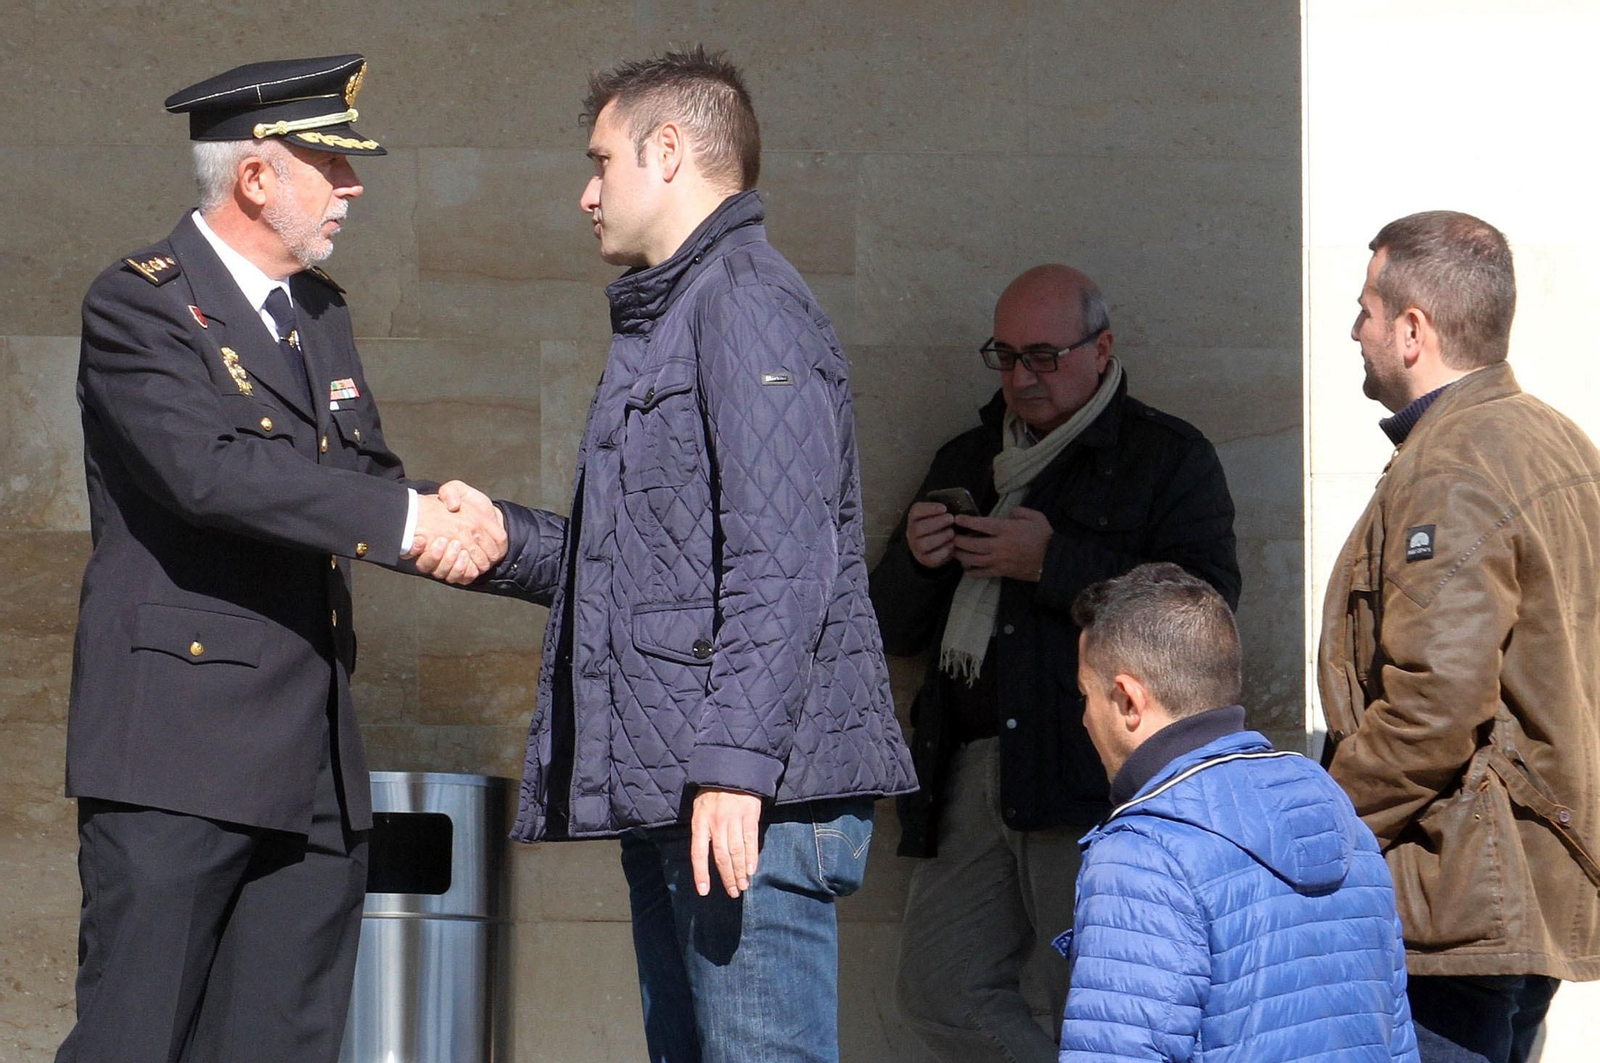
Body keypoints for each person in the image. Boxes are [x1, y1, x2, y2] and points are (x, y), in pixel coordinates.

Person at [458, 47, 916, 1063]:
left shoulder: (746, 300)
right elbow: (659, 564)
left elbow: (784, 560)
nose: (586, 192)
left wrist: (732, 771)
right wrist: (507, 541)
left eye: (602, 161)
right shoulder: (682, 310)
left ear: (667, 152)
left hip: (747, 798)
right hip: (696, 786)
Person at [57, 55, 504, 1063]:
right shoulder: (141, 306)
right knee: (137, 1037)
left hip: (309, 766)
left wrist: (485, 530)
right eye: (331, 167)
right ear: (257, 177)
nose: (353, 189)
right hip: (177, 752)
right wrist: (403, 519)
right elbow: (209, 475)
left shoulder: (321, 312)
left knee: (281, 1044)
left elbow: (367, 476)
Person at [870, 263, 1239, 1061]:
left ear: (1101, 349)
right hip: (970, 768)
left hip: (1091, 770)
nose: (1021, 377)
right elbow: (890, 628)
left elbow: (1207, 613)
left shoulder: (1166, 455)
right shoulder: (967, 457)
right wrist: (916, 559)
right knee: (938, 991)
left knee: (1105, 1007)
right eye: (1004, 357)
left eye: (1043, 355)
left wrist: (1055, 565)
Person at [1319, 210, 1600, 1063]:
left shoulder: (1454, 464)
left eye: (1366, 307)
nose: (1353, 328)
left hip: (1461, 892)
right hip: (1513, 882)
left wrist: (1320, 820)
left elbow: (1434, 704)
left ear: (1413, 330)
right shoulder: (1556, 441)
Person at [1060, 562, 1418, 1062]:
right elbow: (1396, 1039)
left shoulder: (1142, 853)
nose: (1083, 717)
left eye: (1085, 695)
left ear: (1127, 700)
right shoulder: (1341, 818)